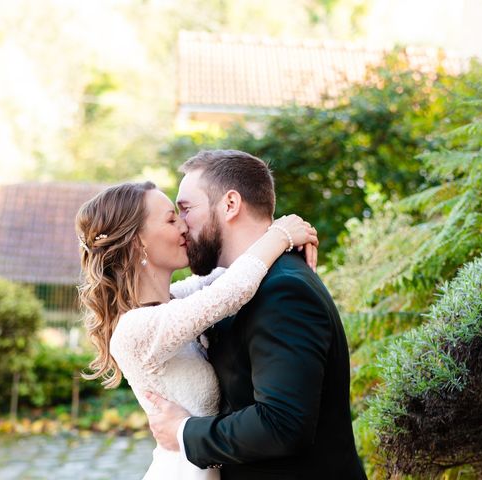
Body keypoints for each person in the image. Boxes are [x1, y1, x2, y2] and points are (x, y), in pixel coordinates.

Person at [146, 150, 367, 479]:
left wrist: (184, 432)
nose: (181, 225)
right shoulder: (236, 286)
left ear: (230, 204)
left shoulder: (284, 291)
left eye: (186, 209)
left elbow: (281, 424)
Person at [75, 179, 319, 479]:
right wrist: (281, 234)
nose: (183, 227)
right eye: (170, 218)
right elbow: (232, 290)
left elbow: (230, 270)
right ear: (138, 241)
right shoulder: (135, 329)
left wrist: (283, 227)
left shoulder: (176, 299)